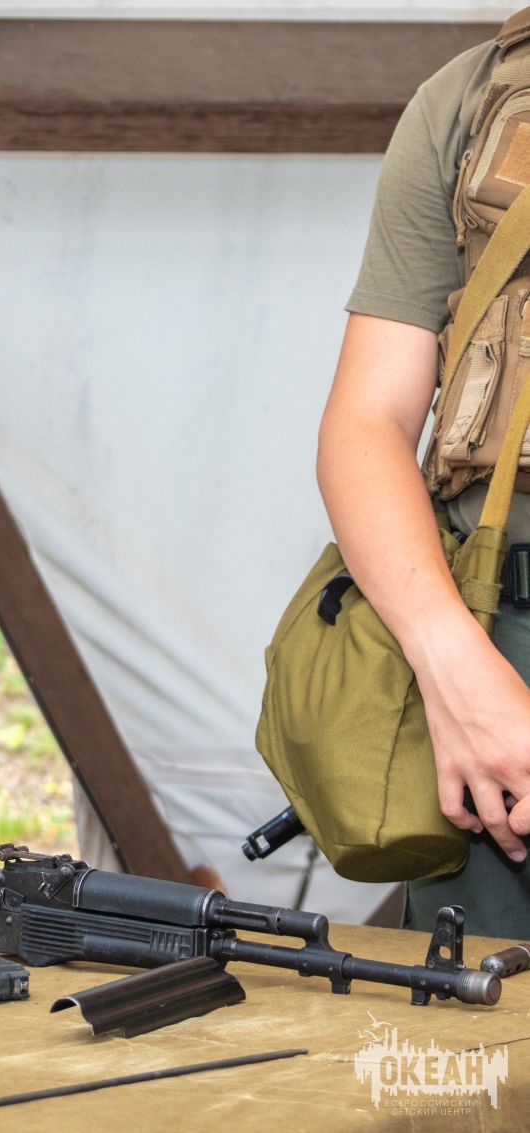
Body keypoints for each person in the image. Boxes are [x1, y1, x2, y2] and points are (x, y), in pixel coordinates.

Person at [318, 11, 530, 937]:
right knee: (481, 1023)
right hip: (500, 656)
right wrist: (457, 674)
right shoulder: (474, 100)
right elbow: (367, 424)